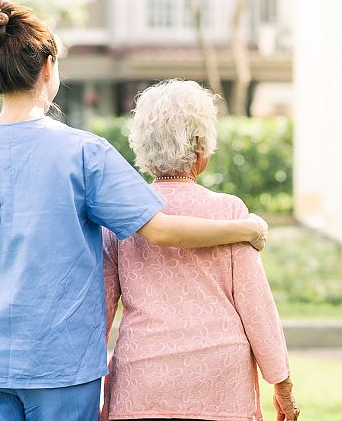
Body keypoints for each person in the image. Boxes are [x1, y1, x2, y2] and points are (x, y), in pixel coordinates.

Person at [0, 0, 269, 421]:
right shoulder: (84, 152)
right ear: (48, 69)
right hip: (62, 366)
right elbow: (160, 230)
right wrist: (244, 228)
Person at [101, 80, 299, 421]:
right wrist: (282, 385)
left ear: (142, 144)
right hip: (221, 382)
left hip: (143, 379)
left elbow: (98, 311)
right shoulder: (230, 213)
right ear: (201, 147)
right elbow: (257, 308)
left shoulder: (121, 219)